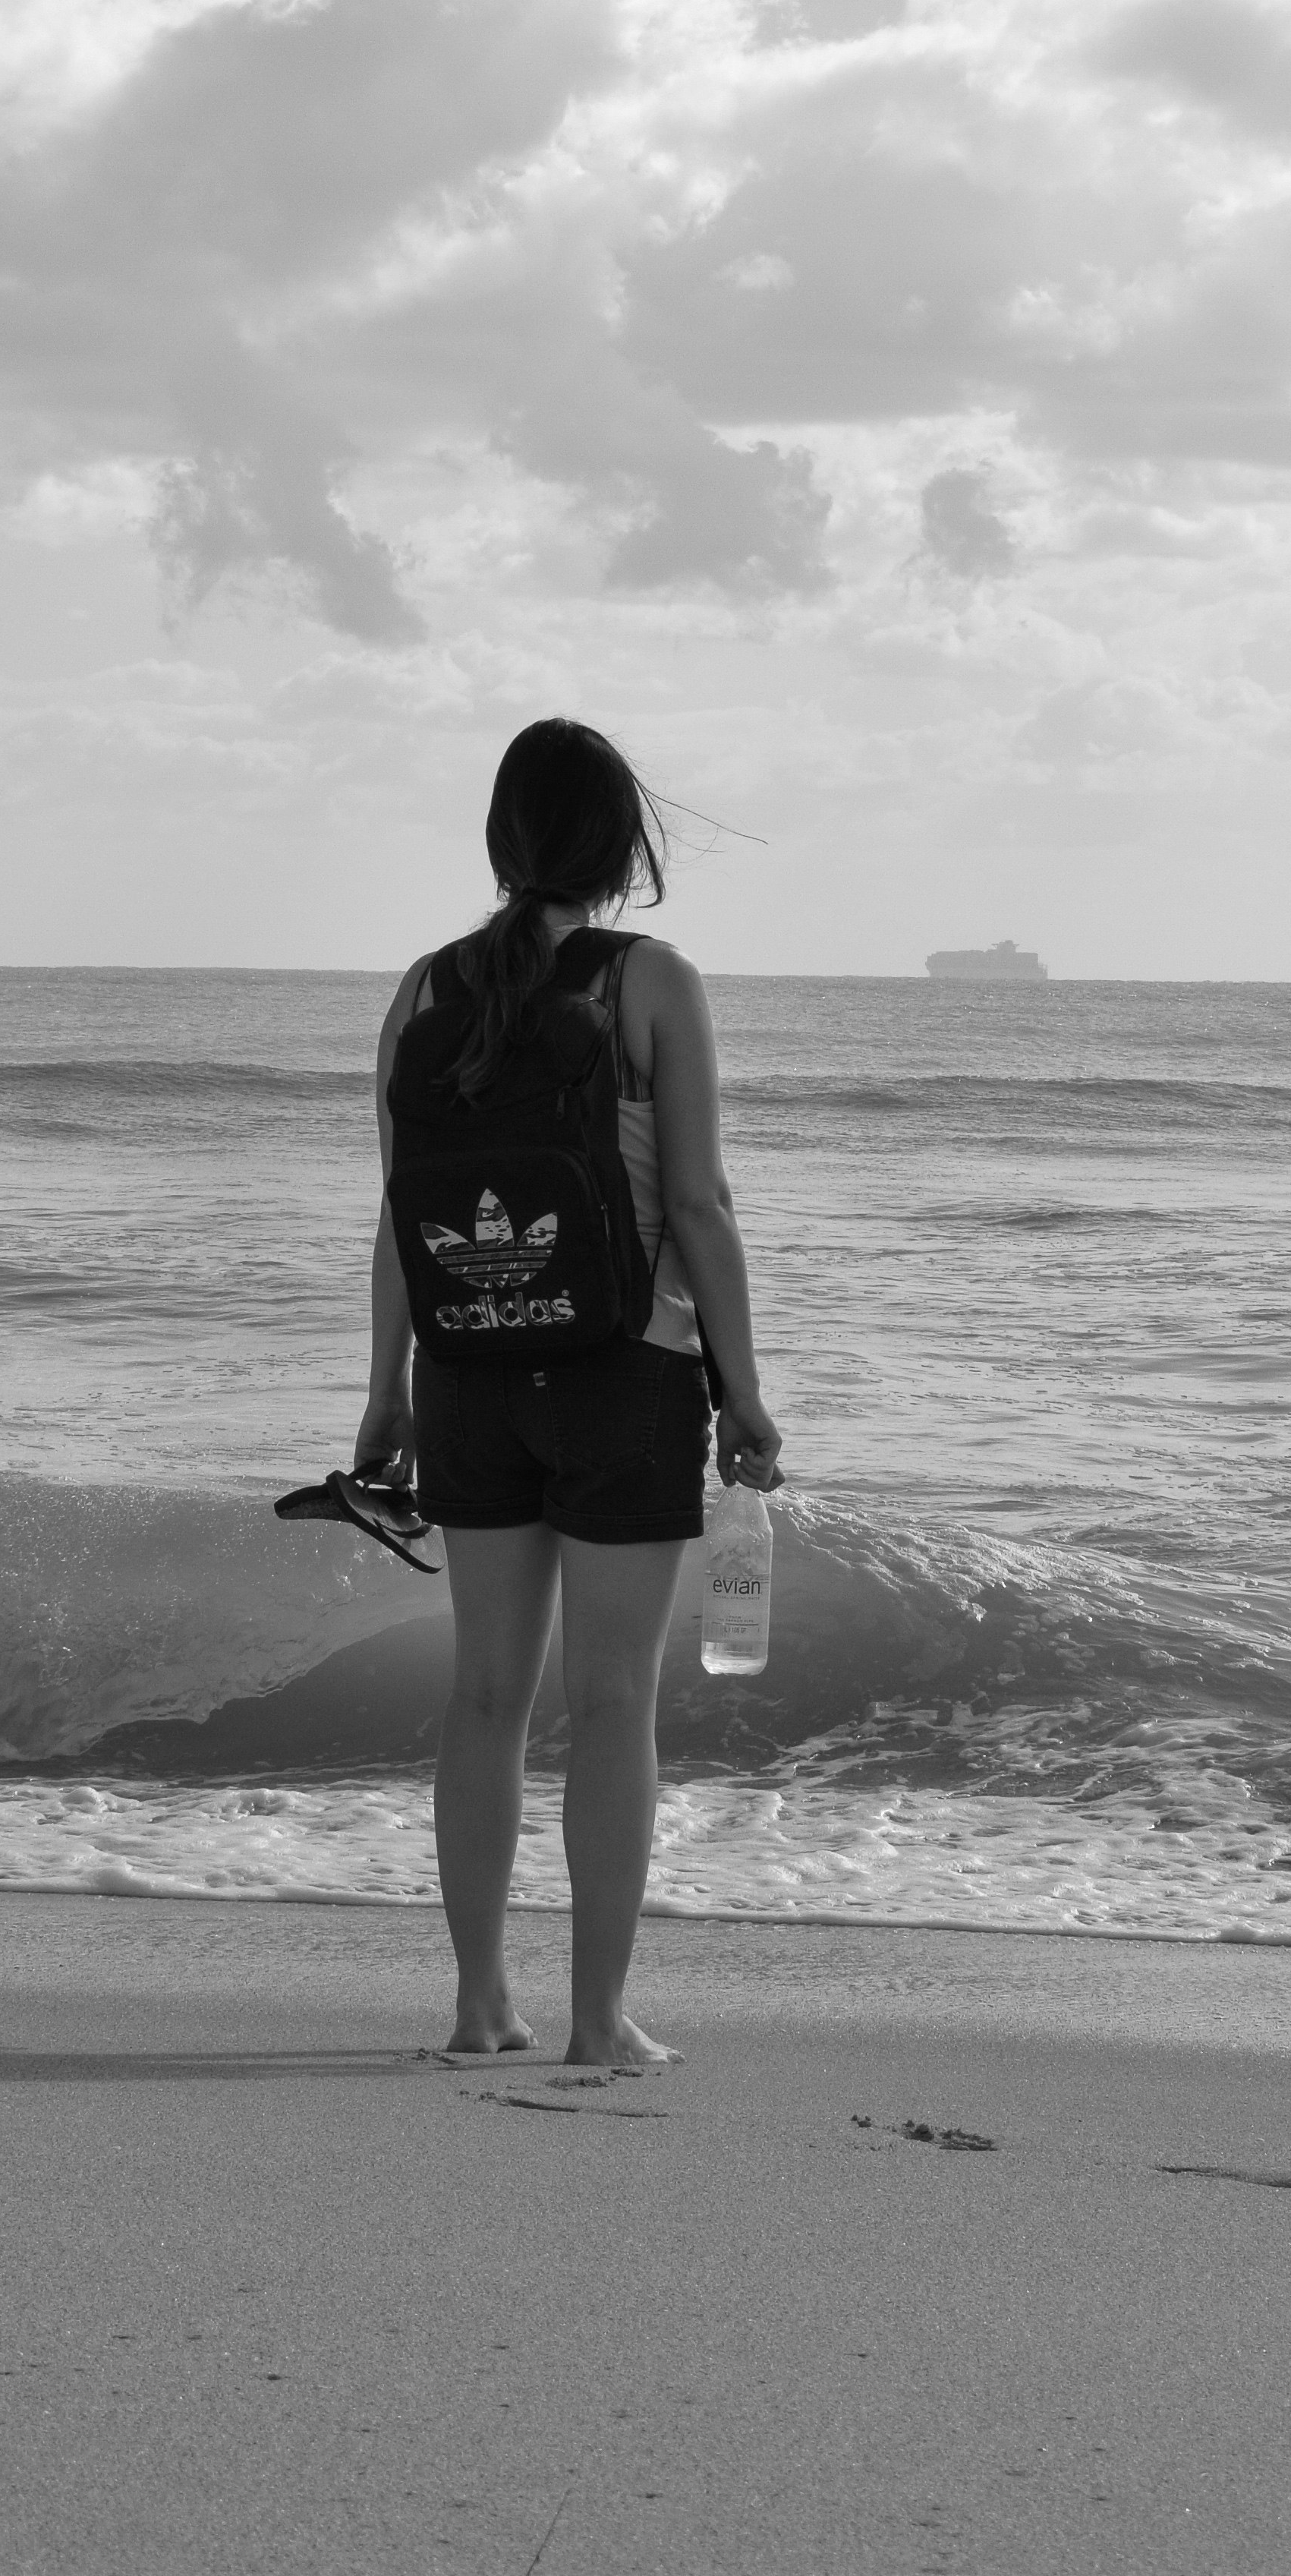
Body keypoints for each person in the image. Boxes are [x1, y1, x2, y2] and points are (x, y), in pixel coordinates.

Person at [350, 717, 783, 2069]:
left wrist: (386, 1395)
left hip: (469, 1372)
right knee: (610, 1702)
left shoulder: (423, 990)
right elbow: (700, 1206)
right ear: (621, 845)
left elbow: (398, 1215)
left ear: (501, 838)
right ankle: (599, 2022)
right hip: (624, 1373)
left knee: (485, 1696)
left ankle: (480, 2008)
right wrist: (749, 1395)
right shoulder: (653, 980)